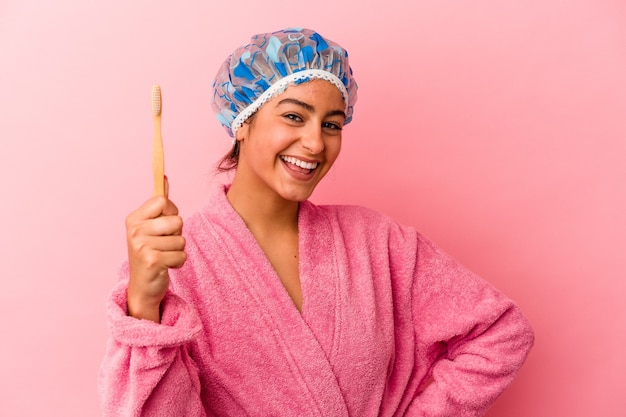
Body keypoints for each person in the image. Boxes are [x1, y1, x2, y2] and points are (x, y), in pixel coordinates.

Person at [98, 27, 534, 416]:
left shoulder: (377, 241)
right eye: (293, 116)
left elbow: (501, 332)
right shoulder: (172, 261)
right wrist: (144, 305)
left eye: (332, 124)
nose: (314, 143)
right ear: (242, 122)